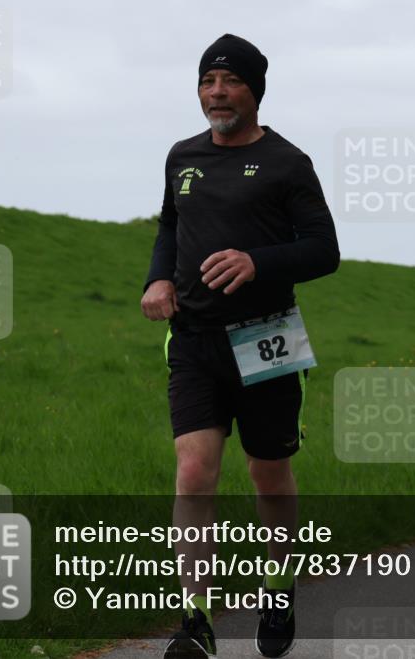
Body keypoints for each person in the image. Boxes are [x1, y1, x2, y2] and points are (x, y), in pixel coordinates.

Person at [141, 34, 339, 658]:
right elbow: (171, 225)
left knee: (268, 473)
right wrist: (158, 276)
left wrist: (259, 262)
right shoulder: (182, 156)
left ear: (254, 91)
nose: (216, 93)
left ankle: (277, 587)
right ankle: (194, 618)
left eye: (229, 83)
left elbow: (323, 250)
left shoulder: (288, 162)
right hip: (195, 338)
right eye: (207, 82)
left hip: (267, 339)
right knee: (195, 472)